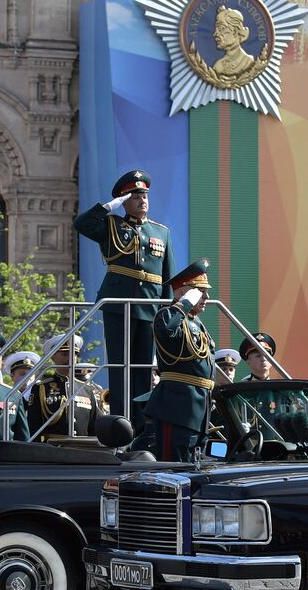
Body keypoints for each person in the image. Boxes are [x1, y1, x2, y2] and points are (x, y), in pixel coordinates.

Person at [74, 169, 174, 430]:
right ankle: (121, 424)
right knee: (120, 368)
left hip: (150, 306)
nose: (142, 200)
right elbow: (81, 224)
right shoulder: (111, 224)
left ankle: (141, 426)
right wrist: (109, 206)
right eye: (135, 196)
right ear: (124, 200)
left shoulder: (161, 232)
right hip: (118, 303)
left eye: (145, 196)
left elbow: (167, 276)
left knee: (143, 369)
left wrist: (167, 309)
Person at [138, 259, 215, 462]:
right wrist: (186, 302)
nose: (206, 296)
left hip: (199, 406)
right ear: (182, 292)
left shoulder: (195, 322)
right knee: (174, 466)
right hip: (178, 406)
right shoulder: (168, 315)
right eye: (200, 291)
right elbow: (166, 330)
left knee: (194, 465)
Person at [25, 334, 103, 442]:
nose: (70, 358)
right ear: (52, 357)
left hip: (83, 449)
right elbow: (33, 425)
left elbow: (94, 425)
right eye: (65, 354)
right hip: (53, 449)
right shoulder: (41, 388)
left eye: (74, 354)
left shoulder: (86, 389)